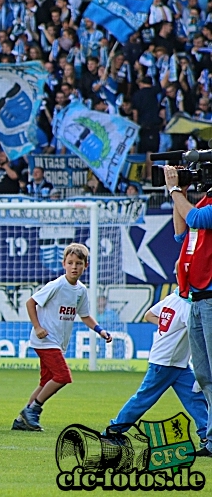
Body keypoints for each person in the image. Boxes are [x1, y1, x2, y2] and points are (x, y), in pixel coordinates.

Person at [17, 243, 112, 431]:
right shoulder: (57, 285)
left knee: (46, 382)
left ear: (86, 266)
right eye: (70, 262)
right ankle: (33, 410)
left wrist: (100, 330)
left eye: (78, 263)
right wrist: (37, 327)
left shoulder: (81, 290)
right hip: (45, 340)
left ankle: (21, 420)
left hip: (58, 342)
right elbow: (30, 303)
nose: (74, 267)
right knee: (63, 376)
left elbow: (84, 315)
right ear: (63, 264)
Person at [106, 285, 207, 442]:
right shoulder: (188, 307)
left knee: (194, 397)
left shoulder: (172, 298)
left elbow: (149, 315)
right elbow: (198, 337)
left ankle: (206, 435)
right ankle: (114, 429)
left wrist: (169, 330)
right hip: (166, 362)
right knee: (144, 398)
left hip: (175, 362)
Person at [165, 164, 212, 457]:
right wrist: (178, 193)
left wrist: (173, 191)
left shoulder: (204, 209)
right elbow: (181, 233)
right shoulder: (203, 201)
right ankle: (210, 440)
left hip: (211, 297)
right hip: (197, 298)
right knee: (205, 375)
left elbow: (195, 218)